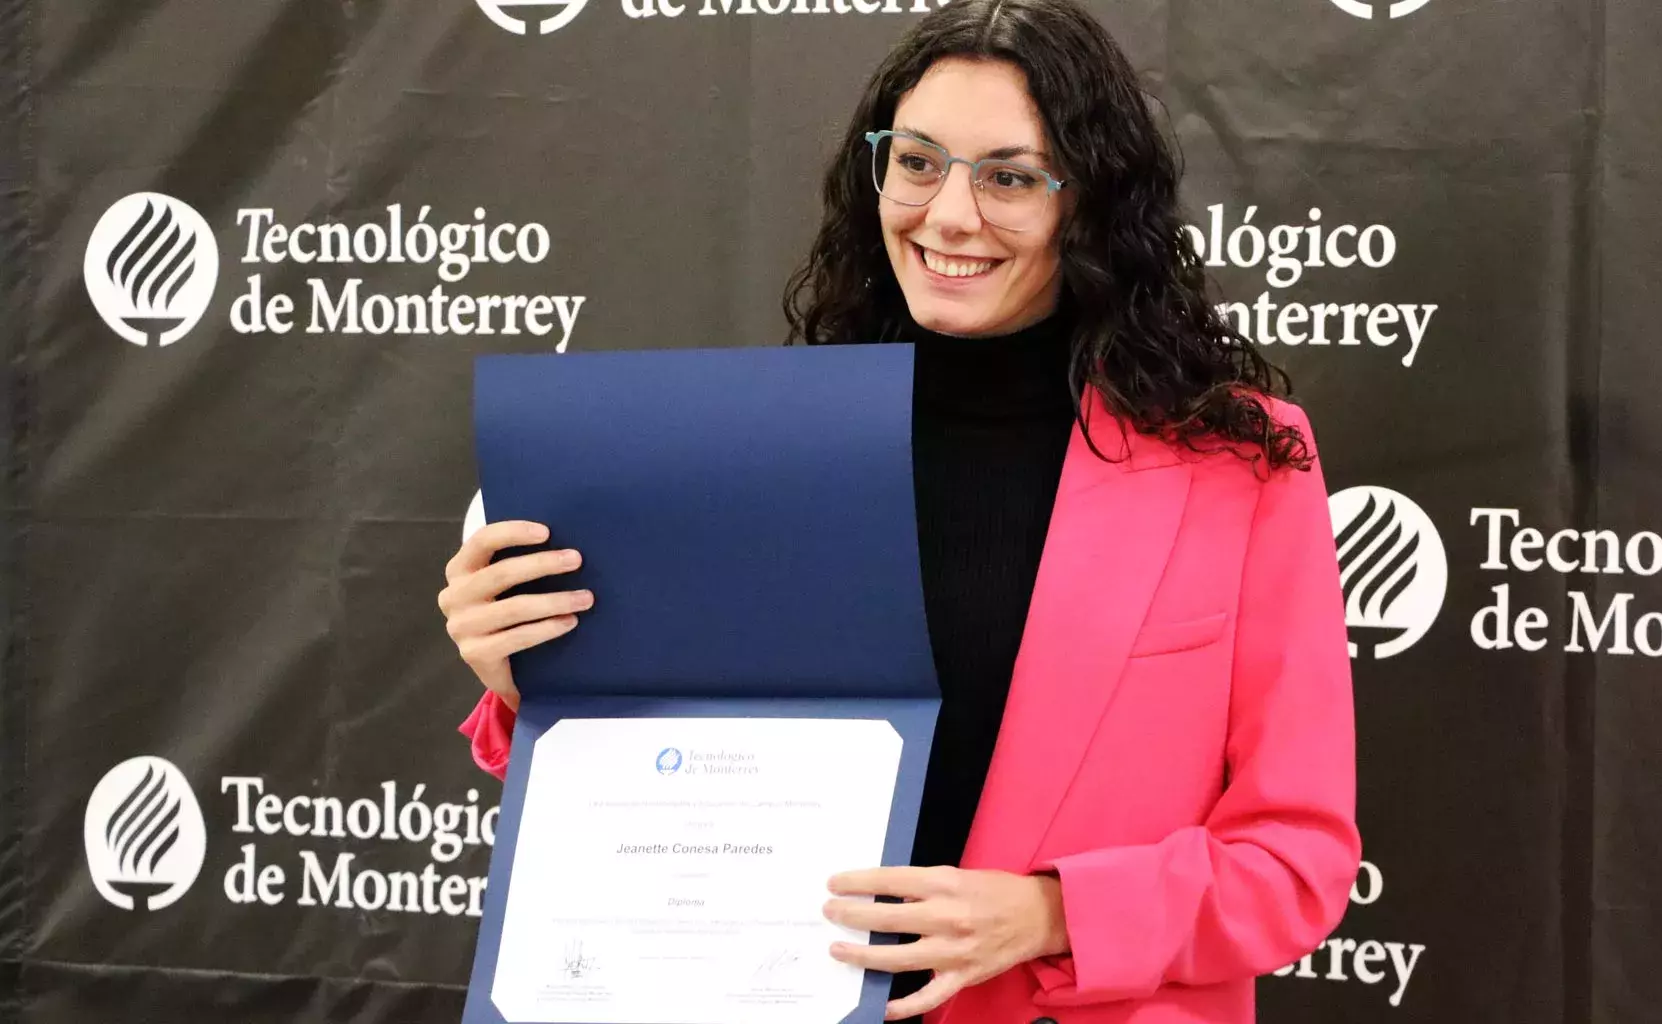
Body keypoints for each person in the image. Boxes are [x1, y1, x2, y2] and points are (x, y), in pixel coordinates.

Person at [436, 1, 1361, 1022]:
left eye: (1009, 177)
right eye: (917, 162)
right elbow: (685, 771)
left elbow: (1296, 862)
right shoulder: (780, 445)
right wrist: (525, 675)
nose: (950, 215)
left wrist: (1053, 913)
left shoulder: (1238, 463)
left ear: (1089, 202)